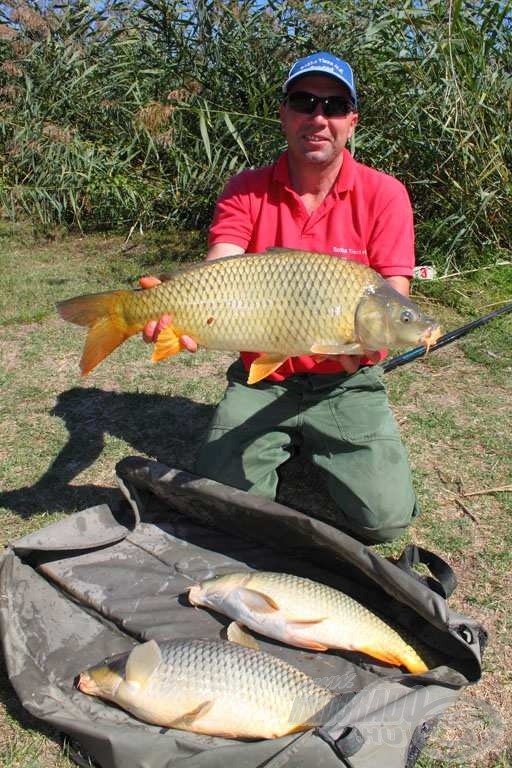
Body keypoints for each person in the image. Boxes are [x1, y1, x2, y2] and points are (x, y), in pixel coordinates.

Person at [142, 51, 419, 544]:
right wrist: (174, 312)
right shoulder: (246, 188)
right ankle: (285, 442)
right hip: (261, 379)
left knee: (385, 521)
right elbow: (218, 269)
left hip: (345, 381)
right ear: (284, 113)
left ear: (351, 121)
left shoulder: (385, 193)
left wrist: (377, 337)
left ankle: (317, 442)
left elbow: (395, 289)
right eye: (304, 101)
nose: (318, 117)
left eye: (333, 106)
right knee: (223, 506)